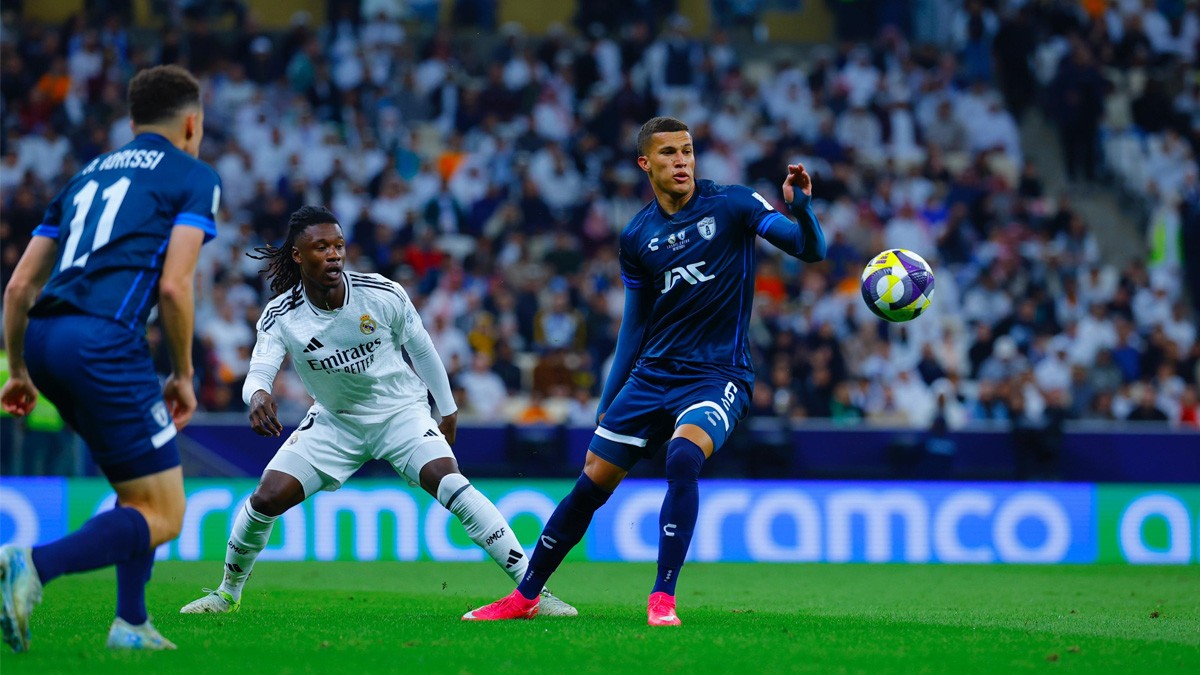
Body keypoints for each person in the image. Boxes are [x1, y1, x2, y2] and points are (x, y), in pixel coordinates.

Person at [464, 116, 826, 625]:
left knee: (682, 457)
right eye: (670, 154)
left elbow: (811, 250)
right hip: (652, 377)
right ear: (646, 164)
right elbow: (633, 329)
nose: (682, 161)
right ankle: (525, 597)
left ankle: (663, 599)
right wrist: (608, 402)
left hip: (717, 374)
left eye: (688, 151)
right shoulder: (638, 235)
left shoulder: (733, 204)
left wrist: (804, 212)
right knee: (591, 484)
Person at [178, 206, 575, 617]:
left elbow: (421, 348)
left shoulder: (381, 293)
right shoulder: (282, 314)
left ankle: (533, 595)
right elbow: (258, 370)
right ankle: (226, 595)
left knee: (450, 483)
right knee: (266, 498)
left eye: (338, 245)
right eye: (321, 247)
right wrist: (258, 395)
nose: (334, 255)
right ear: (298, 255)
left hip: (400, 413)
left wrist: (448, 408)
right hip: (336, 421)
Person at [1, 65, 221, 651]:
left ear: (132, 122)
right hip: (103, 342)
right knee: (167, 514)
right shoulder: (192, 176)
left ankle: (131, 622)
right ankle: (32, 565)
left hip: (46, 341)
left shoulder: (83, 176)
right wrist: (183, 373)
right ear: (192, 123)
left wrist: (19, 368)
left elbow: (19, 288)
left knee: (136, 494)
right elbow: (175, 286)